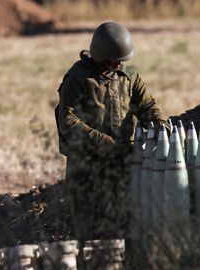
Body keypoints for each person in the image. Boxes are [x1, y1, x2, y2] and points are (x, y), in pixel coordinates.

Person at [55, 21, 167, 241]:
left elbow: (146, 106)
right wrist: (99, 141)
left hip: (121, 164)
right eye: (114, 61)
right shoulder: (78, 79)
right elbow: (67, 120)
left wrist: (159, 124)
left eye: (121, 61)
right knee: (89, 230)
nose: (118, 65)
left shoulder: (130, 76)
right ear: (100, 56)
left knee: (122, 224)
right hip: (86, 167)